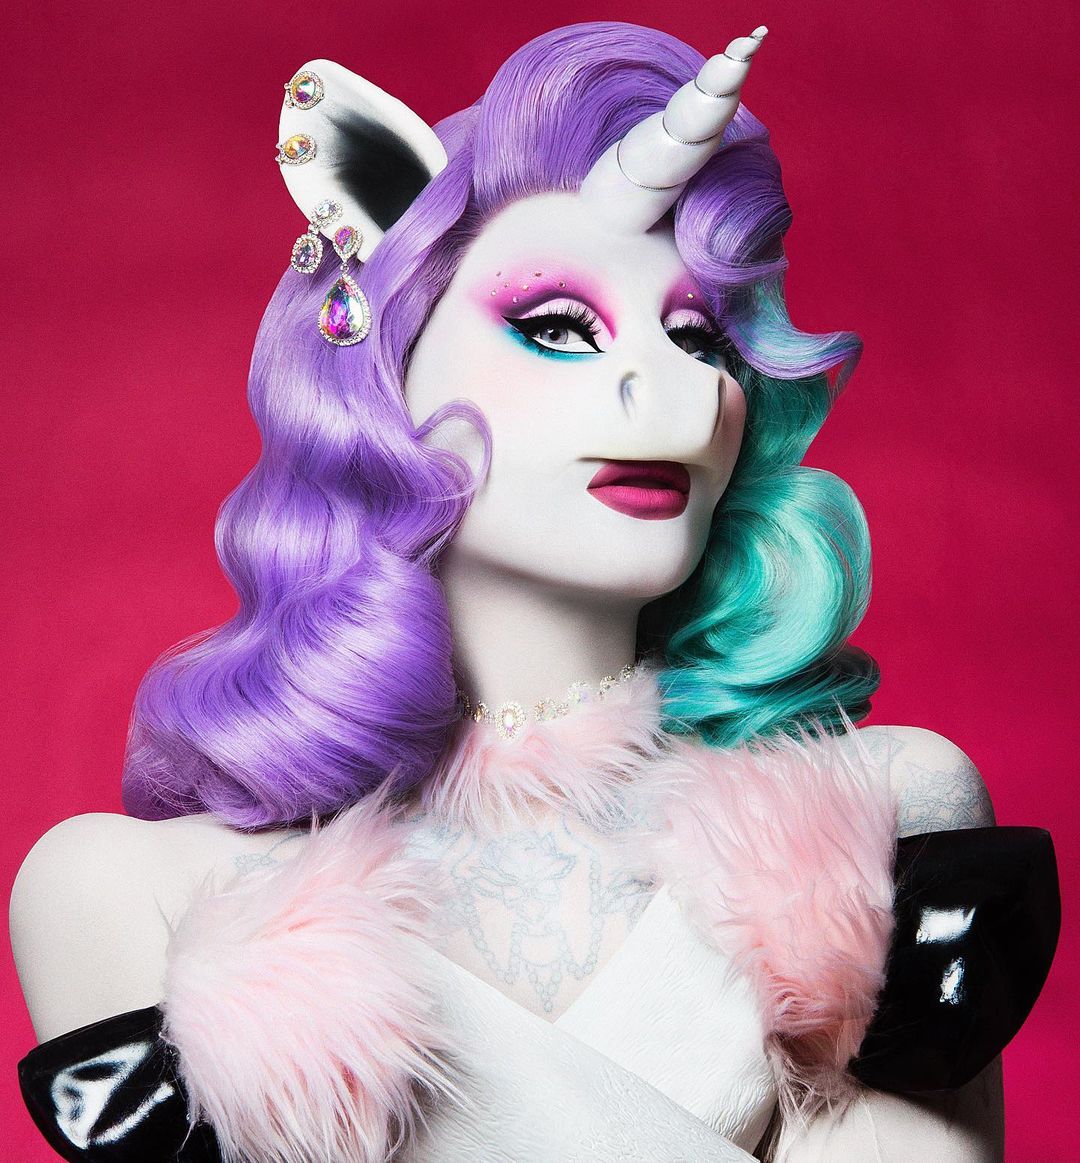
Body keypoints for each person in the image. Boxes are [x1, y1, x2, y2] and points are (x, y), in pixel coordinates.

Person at [10, 20, 1057, 1163]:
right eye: (557, 325)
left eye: (701, 337)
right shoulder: (132, 892)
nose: (673, 387)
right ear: (381, 374)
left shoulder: (879, 815)